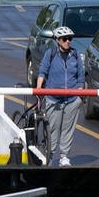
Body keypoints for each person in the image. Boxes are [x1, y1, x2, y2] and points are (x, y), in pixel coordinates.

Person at [33, 25, 86, 166]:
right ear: (57, 40)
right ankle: (49, 157)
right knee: (53, 129)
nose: (68, 41)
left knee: (67, 129)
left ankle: (64, 157)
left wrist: (80, 95)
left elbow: (81, 76)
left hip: (72, 99)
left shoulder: (75, 55)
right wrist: (39, 90)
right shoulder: (50, 53)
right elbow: (42, 72)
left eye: (70, 38)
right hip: (53, 99)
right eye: (64, 39)